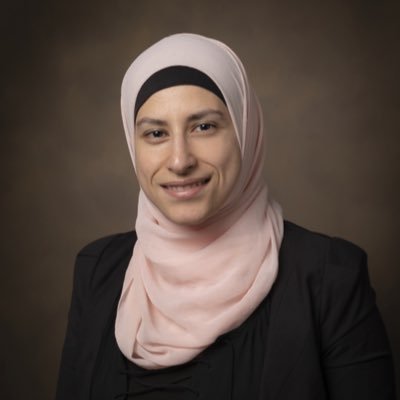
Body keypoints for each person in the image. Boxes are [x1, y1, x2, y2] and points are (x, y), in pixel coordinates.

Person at [56, 33, 396, 400]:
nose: (180, 160)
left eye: (204, 127)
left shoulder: (329, 277)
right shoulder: (98, 271)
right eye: (156, 133)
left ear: (245, 130)